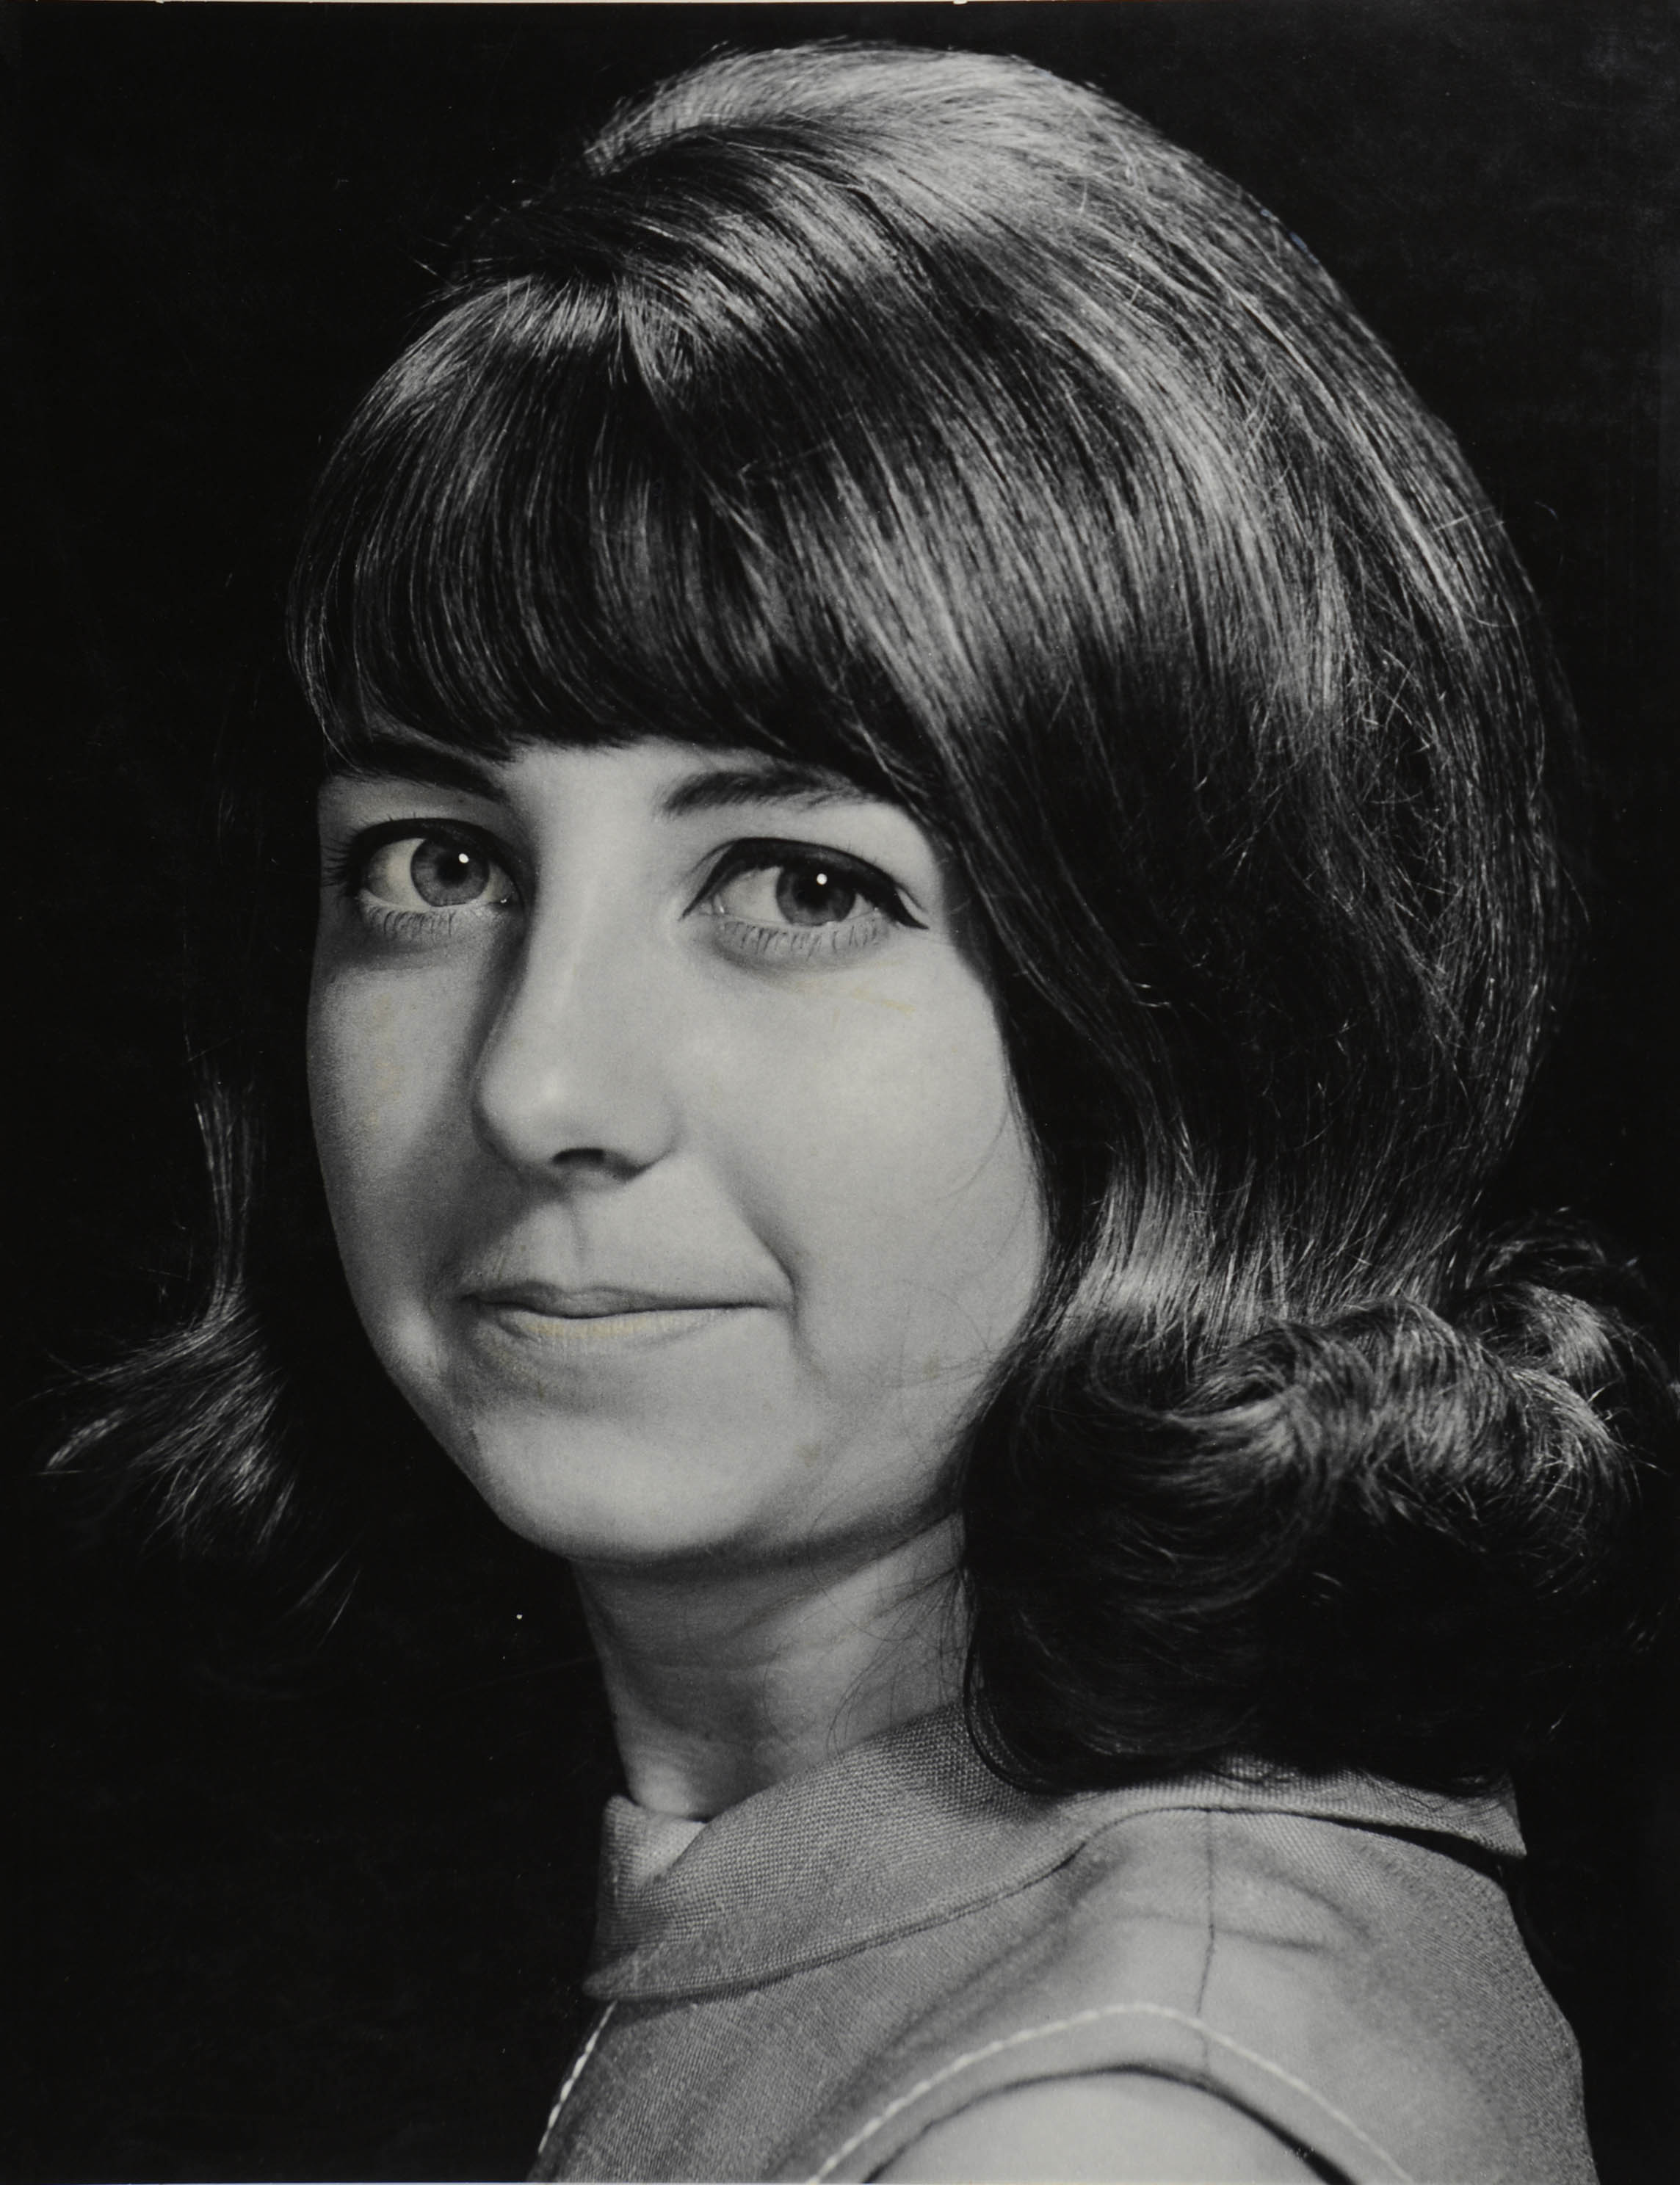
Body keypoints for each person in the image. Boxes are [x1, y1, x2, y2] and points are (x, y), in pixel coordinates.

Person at [54, 40, 1676, 2185]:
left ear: (1197, 1005)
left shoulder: (1100, 2136)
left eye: (803, 887)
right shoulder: (929, 1920)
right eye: (439, 862)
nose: (538, 1083)